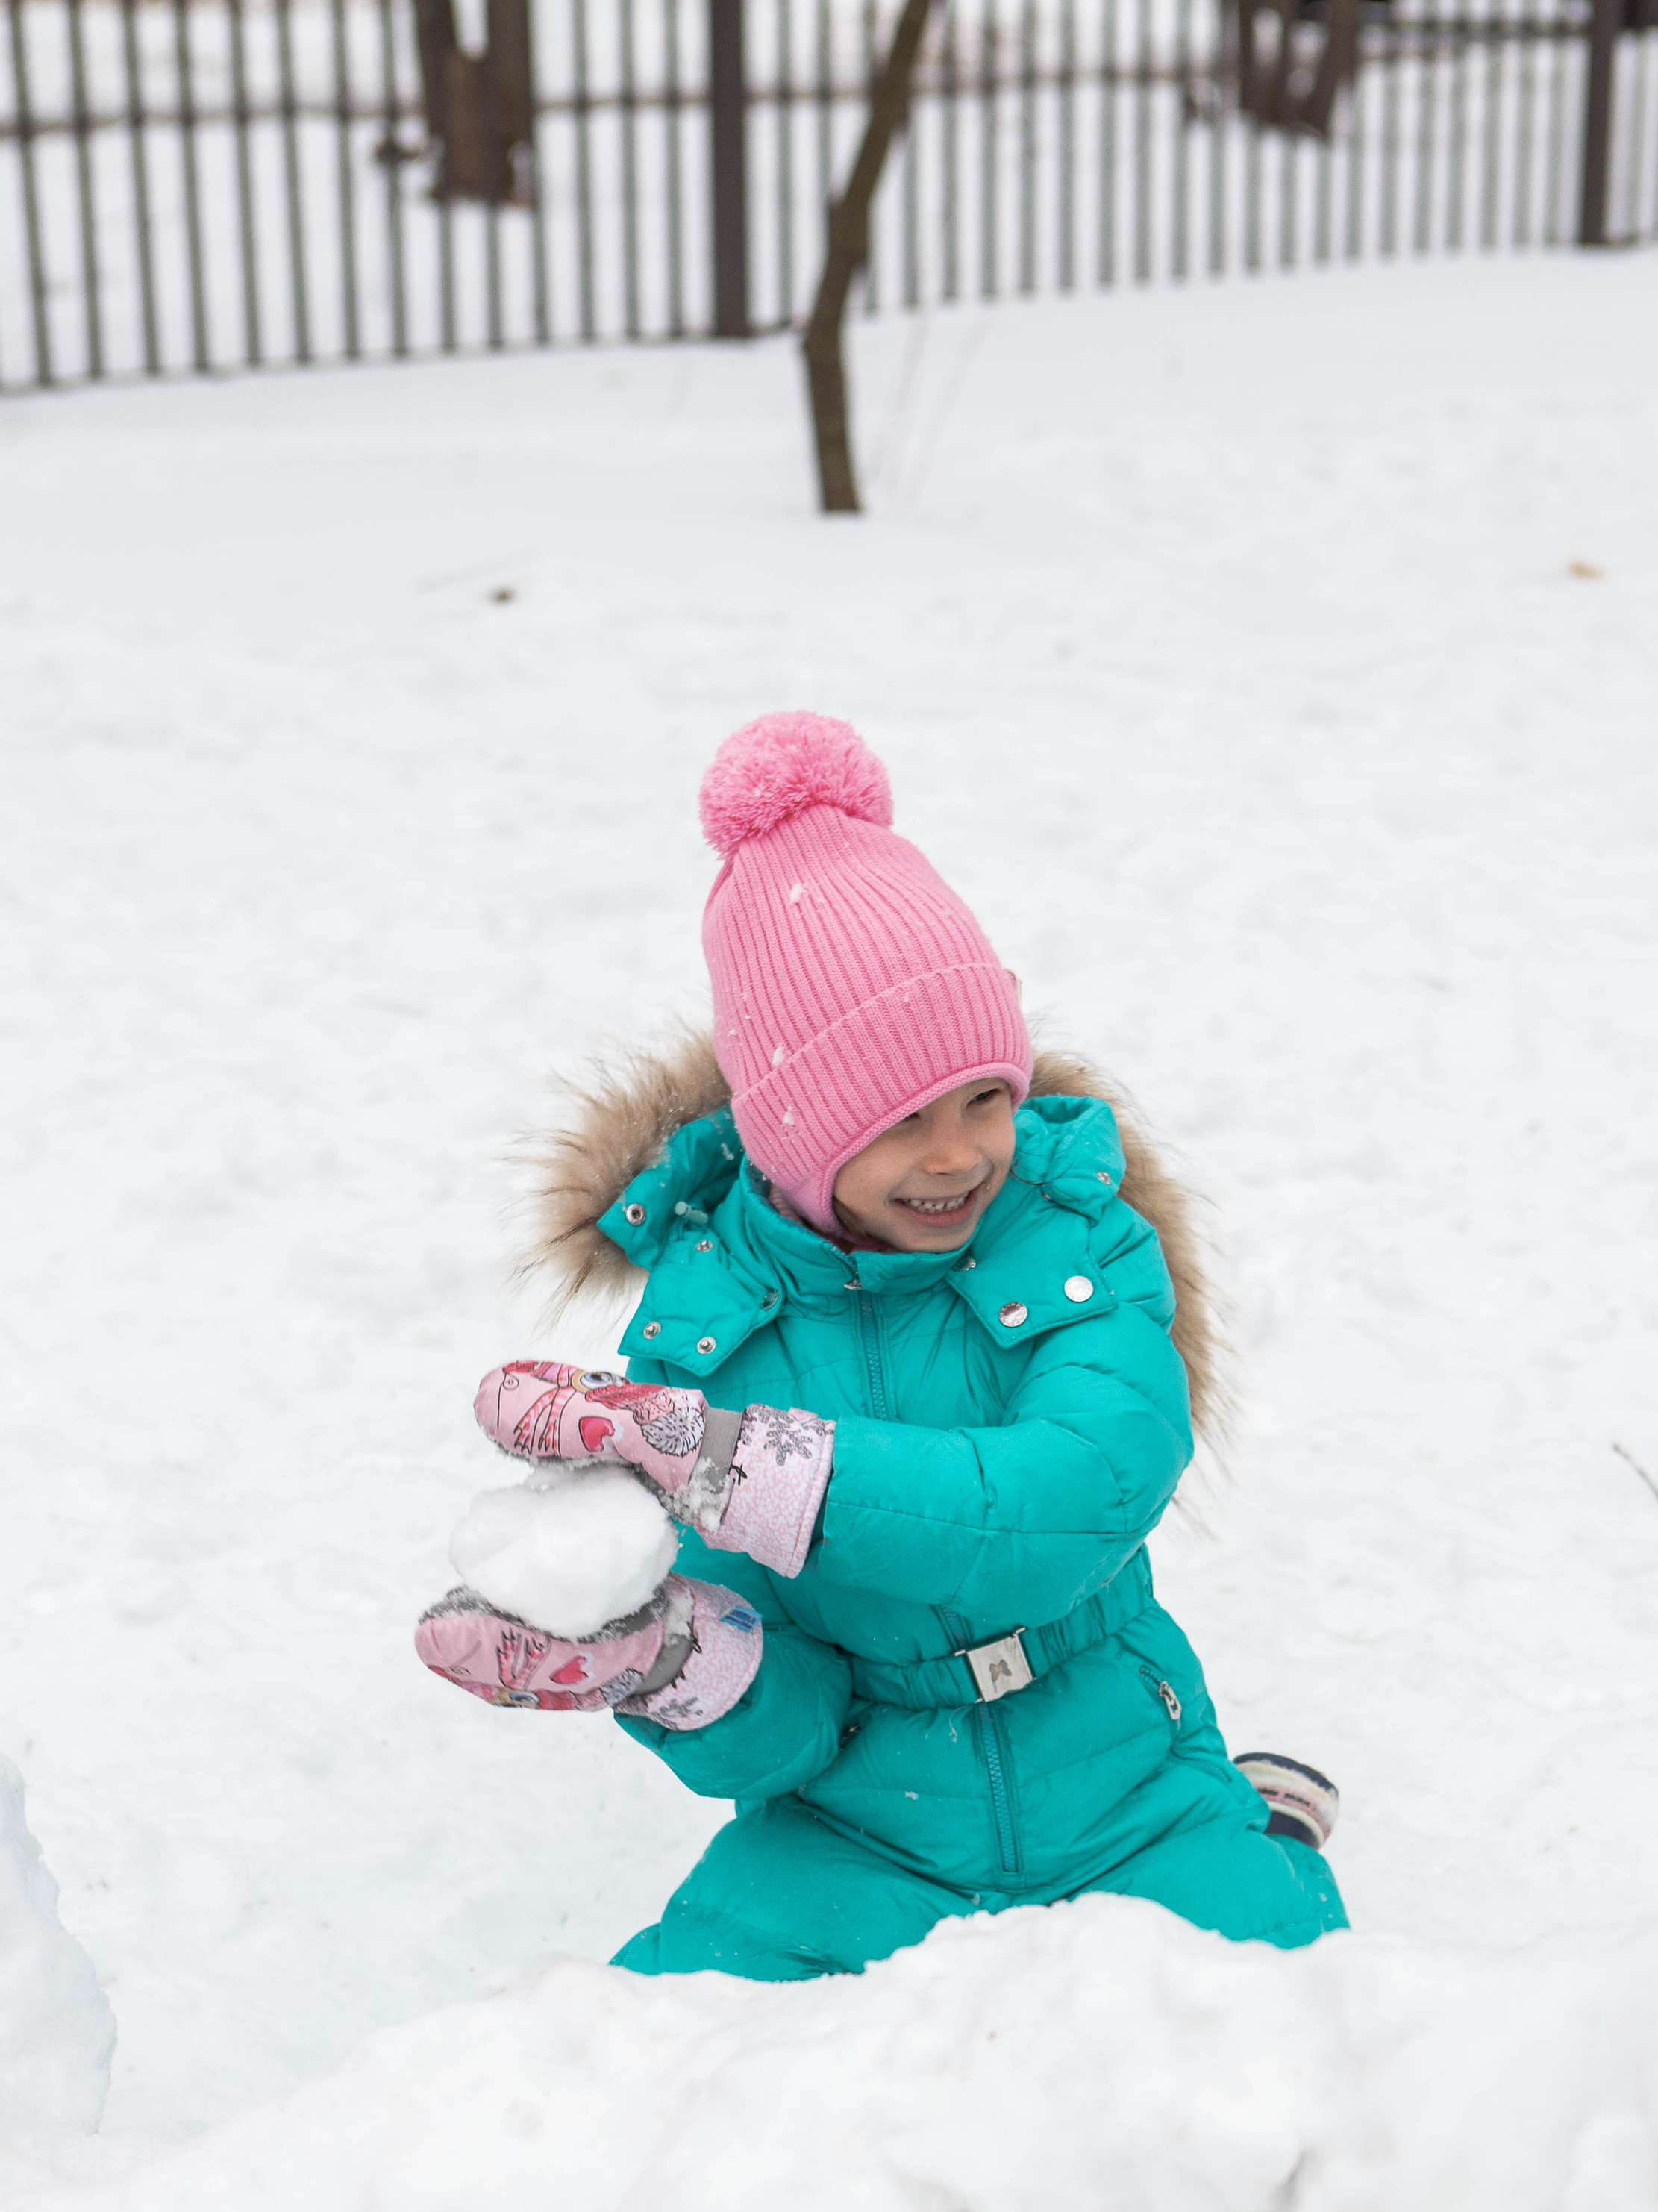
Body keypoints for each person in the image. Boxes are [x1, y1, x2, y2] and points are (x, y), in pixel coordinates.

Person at [417, 713, 1347, 1981]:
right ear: (795, 1125)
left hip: (1125, 1782)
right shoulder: (697, 1346)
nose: (960, 1153)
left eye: (984, 1097)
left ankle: (1265, 1827)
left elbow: (1073, 1501)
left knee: (1291, 2021)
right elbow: (788, 1734)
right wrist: (678, 1663)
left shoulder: (1083, 1250)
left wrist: (766, 1475)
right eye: (903, 1118)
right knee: (660, 2062)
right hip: (861, 1826)